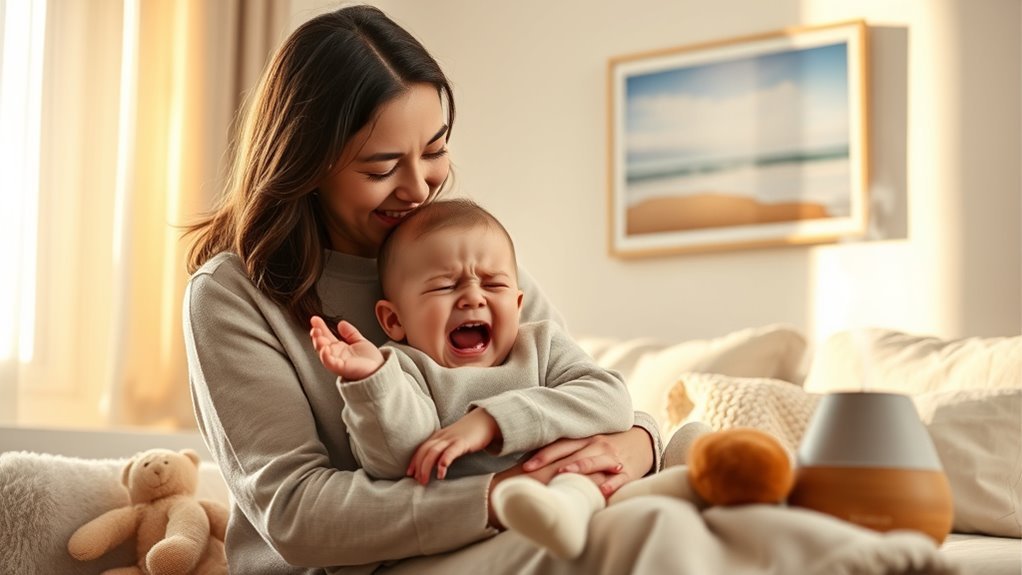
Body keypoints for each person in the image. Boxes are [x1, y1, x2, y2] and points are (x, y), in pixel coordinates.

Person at [184, 5, 706, 574]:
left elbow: (583, 390)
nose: (417, 188)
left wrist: (639, 443)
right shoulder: (231, 295)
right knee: (645, 536)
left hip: (510, 526)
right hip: (372, 562)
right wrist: (504, 497)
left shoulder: (464, 257)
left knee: (694, 522)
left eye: (434, 151)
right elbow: (298, 515)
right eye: (381, 168)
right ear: (306, 165)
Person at [309, 199, 633, 491]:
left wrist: (492, 421)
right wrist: (373, 380)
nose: (474, 297)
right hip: (486, 525)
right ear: (394, 320)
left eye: (493, 283)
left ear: (518, 305)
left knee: (679, 452)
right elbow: (394, 462)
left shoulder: (540, 345)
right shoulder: (405, 371)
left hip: (573, 487)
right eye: (445, 286)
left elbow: (612, 400)